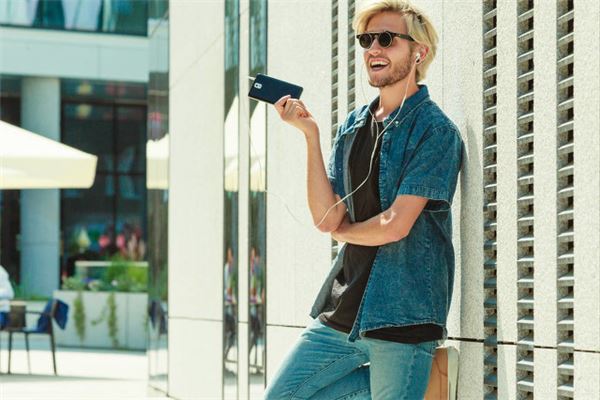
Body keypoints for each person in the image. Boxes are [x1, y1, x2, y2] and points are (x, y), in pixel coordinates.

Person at [265, 0, 464, 398]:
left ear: (419, 52)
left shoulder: (435, 132)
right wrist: (310, 135)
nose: (373, 48)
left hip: (402, 314)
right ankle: (427, 383)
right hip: (343, 308)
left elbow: (395, 225)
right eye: (366, 39)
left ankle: (421, 380)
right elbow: (327, 218)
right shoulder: (353, 127)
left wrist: (344, 232)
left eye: (387, 39)